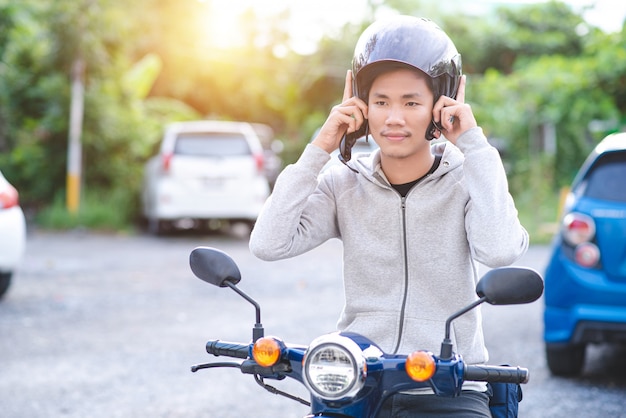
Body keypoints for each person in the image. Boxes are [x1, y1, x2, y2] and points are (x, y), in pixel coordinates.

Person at [249, 15, 528, 417]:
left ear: (441, 106)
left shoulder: (468, 180)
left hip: (448, 385)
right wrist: (320, 147)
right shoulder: (342, 181)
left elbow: (500, 250)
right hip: (357, 378)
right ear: (361, 105)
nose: (393, 117)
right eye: (381, 102)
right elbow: (268, 243)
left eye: (411, 102)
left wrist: (474, 145)